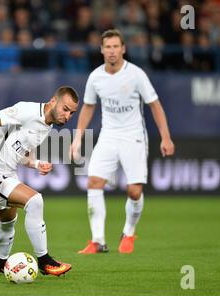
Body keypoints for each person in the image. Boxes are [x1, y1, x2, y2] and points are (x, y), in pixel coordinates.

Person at [70, 29, 175, 254]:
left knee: (134, 192)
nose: (112, 51)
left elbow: (155, 105)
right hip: (108, 135)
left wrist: (165, 136)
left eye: (116, 46)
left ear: (123, 49)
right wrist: (78, 137)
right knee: (94, 182)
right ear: (101, 50)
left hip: (133, 136)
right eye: (108, 47)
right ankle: (97, 241)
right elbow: (88, 107)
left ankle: (128, 232)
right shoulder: (95, 77)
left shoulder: (136, 74)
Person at [0, 86, 79, 276]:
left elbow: (19, 152)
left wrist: (36, 164)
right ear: (53, 101)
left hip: (7, 173)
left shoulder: (47, 126)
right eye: (65, 109)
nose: (68, 115)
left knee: (7, 220)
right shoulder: (27, 110)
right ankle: (45, 261)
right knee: (35, 201)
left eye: (72, 112)